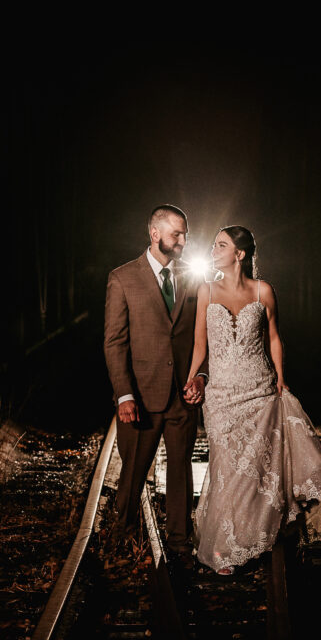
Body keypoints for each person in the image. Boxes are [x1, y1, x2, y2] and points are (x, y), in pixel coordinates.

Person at [184, 225, 321, 574]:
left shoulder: (263, 291)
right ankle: (228, 543)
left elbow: (274, 337)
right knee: (228, 468)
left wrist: (281, 377)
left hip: (259, 389)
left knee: (257, 468)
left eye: (221, 245)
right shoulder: (206, 291)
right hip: (222, 395)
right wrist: (192, 375)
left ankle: (254, 535)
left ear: (239, 254)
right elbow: (200, 342)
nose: (213, 250)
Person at [104, 204, 207, 557]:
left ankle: (179, 542)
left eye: (185, 234)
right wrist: (124, 395)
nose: (183, 240)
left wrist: (201, 376)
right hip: (142, 397)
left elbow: (202, 335)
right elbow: (115, 341)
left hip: (182, 395)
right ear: (155, 234)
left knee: (180, 471)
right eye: (177, 234)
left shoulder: (193, 278)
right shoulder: (123, 278)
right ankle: (122, 537)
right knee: (132, 473)